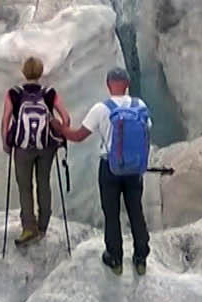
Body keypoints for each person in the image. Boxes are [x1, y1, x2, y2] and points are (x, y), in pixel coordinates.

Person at [61, 66, 152, 274]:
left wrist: (60, 129)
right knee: (135, 211)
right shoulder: (140, 106)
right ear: (127, 84)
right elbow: (147, 130)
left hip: (110, 167)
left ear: (108, 85)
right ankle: (140, 258)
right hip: (135, 168)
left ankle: (115, 258)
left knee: (111, 213)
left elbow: (78, 136)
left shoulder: (102, 109)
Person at [0, 56, 71, 246]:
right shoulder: (49, 93)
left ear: (24, 72)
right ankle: (43, 225)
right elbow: (66, 118)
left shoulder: (14, 94)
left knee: (25, 186)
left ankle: (28, 228)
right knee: (43, 183)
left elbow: (6, 119)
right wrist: (58, 131)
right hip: (46, 146)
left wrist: (6, 142)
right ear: (40, 72)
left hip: (22, 147)